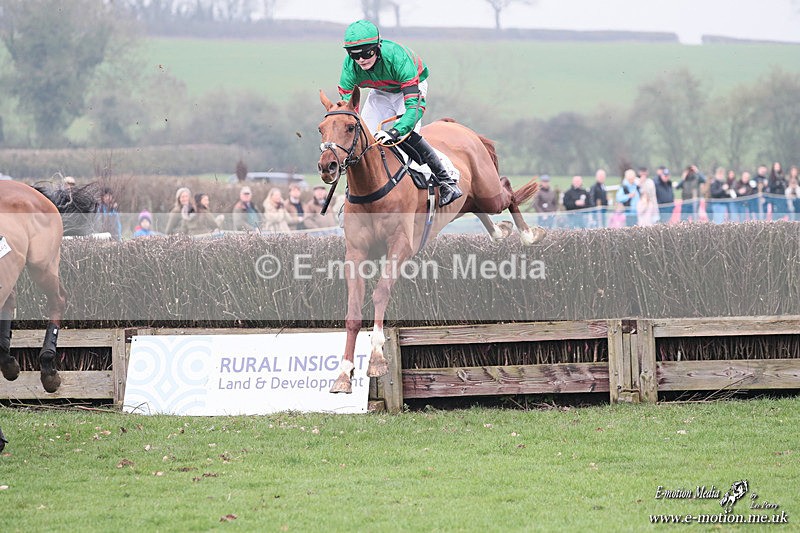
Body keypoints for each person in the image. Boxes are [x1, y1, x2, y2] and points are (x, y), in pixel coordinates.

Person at [338, 19, 461, 207]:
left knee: (406, 135)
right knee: (362, 138)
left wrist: (396, 131)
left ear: (377, 46)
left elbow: (414, 109)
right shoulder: (350, 67)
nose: (361, 59)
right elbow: (348, 112)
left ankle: (446, 180)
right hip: (380, 92)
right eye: (354, 54)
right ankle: (352, 194)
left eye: (366, 52)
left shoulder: (397, 57)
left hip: (410, 88)